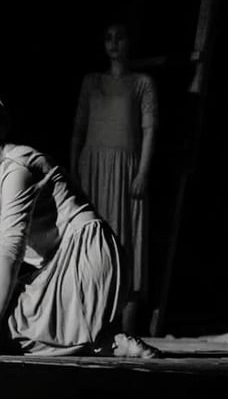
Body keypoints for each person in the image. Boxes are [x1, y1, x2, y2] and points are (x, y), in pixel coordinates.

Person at [0, 89, 160, 357]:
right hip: (56, 268)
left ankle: (103, 342)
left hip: (87, 261)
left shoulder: (17, 166)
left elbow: (10, 251)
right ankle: (98, 341)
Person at [69, 22, 158, 335]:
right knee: (93, 241)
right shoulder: (92, 81)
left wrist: (143, 172)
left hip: (126, 170)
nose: (114, 43)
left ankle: (127, 325)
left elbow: (149, 131)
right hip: (94, 168)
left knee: (128, 240)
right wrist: (74, 168)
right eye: (108, 37)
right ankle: (91, 320)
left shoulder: (141, 84)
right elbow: (79, 128)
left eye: (120, 36)